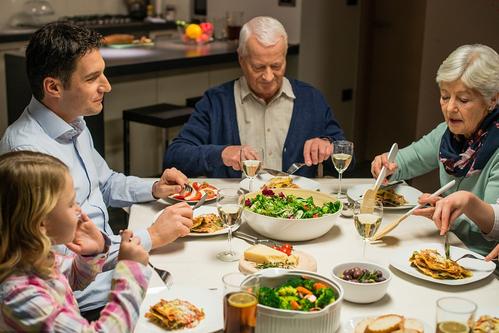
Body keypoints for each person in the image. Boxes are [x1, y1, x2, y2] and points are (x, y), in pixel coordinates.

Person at [0, 22, 193, 319]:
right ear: (53, 87)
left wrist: (154, 188)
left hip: (110, 265)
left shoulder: (73, 120)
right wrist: (151, 235)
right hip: (87, 298)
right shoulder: (27, 155)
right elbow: (58, 255)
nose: (107, 86)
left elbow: (104, 183)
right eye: (92, 78)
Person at [163, 16, 346, 178]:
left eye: (276, 66)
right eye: (258, 67)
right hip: (236, 208)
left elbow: (347, 155)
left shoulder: (311, 99)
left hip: (297, 211)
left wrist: (328, 146)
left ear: (285, 57)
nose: (268, 77)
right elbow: (175, 156)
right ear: (241, 60)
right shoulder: (216, 101)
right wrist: (222, 153)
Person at [371, 44, 499, 256]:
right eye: (445, 96)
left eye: (463, 99)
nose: (450, 108)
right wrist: (386, 166)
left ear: (492, 99)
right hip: (447, 249)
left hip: (484, 264)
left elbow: (495, 228)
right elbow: (405, 161)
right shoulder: (447, 135)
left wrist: (464, 205)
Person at [0, 151, 150, 332]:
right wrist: (130, 273)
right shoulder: (22, 298)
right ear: (41, 223)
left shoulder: (37, 256)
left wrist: (92, 253)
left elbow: (73, 276)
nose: (79, 210)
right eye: (71, 204)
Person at [416, 191, 499, 261]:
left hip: (482, 258)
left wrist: (470, 204)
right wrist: (447, 211)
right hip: (460, 249)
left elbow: (493, 234)